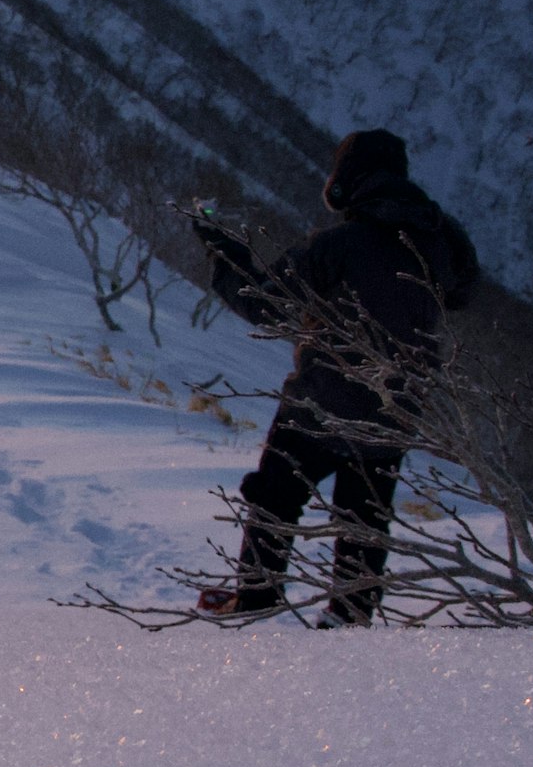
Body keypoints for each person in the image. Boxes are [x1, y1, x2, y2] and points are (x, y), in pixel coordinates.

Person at [190, 129, 479, 625]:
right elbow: (462, 291)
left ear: (345, 181)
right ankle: (351, 615)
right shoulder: (437, 246)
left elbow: (265, 306)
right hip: (396, 407)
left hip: (321, 402)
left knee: (275, 496)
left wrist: (225, 250)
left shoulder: (339, 244)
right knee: (365, 517)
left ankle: (257, 601)